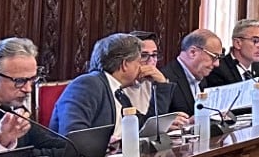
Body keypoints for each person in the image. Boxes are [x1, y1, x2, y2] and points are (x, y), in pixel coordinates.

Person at [51, 33, 187, 135]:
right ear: (125, 64)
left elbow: (145, 129)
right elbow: (74, 134)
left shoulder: (118, 92)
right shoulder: (88, 84)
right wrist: (108, 144)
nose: (141, 67)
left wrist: (161, 85)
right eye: (138, 61)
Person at [159, 29, 225, 117]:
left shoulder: (202, 76)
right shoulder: (165, 80)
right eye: (214, 57)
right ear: (192, 52)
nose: (217, 64)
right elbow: (158, 121)